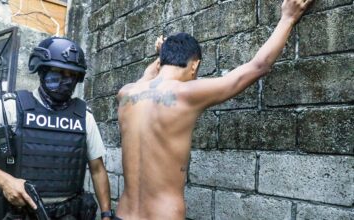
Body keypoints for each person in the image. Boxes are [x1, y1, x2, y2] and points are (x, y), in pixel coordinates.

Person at [115, 0, 314, 219]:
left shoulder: (126, 94)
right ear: (195, 65)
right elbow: (258, 66)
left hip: (123, 214)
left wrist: (162, 55)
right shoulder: (186, 94)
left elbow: (148, 76)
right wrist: (288, 18)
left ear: (161, 62)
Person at [0, 37, 112, 219]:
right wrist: (6, 182)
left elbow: (97, 169)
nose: (65, 81)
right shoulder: (12, 107)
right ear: (41, 71)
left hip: (69, 213)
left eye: (71, 75)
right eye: (58, 72)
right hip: (21, 212)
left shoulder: (84, 116)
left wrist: (107, 213)